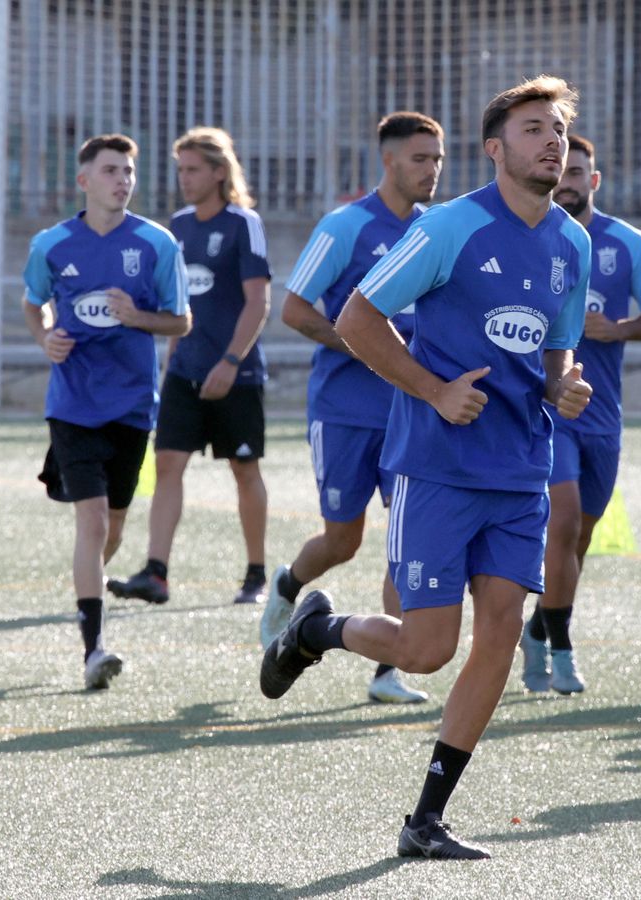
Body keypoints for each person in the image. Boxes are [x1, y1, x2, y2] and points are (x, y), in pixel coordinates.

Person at [259, 76, 591, 858]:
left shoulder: (571, 243)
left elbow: (555, 351)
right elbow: (356, 316)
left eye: (560, 130)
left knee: (501, 633)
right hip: (437, 467)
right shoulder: (451, 228)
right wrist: (434, 391)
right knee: (427, 649)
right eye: (534, 127)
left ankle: (425, 820)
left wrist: (563, 385)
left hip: (518, 471)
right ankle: (322, 629)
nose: (552, 141)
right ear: (495, 148)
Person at [264, 111, 446, 705]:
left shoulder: (436, 230)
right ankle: (288, 586)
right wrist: (364, 343)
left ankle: (386, 673)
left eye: (438, 158)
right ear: (388, 161)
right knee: (343, 541)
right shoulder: (345, 226)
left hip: (411, 410)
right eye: (421, 158)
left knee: (404, 535)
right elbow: (293, 310)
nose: (432, 169)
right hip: (343, 411)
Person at [23, 134, 191, 690]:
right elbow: (32, 300)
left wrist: (137, 316)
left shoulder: (156, 243)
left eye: (129, 172)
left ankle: (86, 586)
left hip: (132, 407)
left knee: (112, 527)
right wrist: (45, 335)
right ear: (84, 180)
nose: (123, 180)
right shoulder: (51, 244)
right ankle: (94, 649)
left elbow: (180, 321)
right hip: (72, 406)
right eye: (112, 170)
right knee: (92, 521)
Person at [520, 133, 641, 695]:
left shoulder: (626, 244)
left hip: (601, 414)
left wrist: (621, 328)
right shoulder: (527, 237)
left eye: (578, 172)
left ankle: (538, 628)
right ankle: (561, 651)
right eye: (562, 171)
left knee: (577, 540)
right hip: (547, 409)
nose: (568, 181)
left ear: (595, 180)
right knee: (560, 524)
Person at [107, 127, 271, 607]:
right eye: (180, 169)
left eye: (193, 169)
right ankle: (156, 572)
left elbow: (258, 301)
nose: (185, 178)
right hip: (184, 373)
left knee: (243, 468)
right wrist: (172, 365)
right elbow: (177, 303)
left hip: (235, 373)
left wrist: (231, 361)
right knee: (167, 463)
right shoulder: (177, 226)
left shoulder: (244, 224)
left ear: (220, 173)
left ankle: (256, 574)